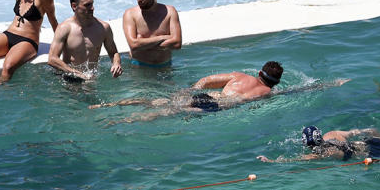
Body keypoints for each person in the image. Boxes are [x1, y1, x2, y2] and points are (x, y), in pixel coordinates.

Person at [90, 60, 284, 116]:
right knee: (166, 112)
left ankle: (109, 104)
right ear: (275, 82)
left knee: (158, 102)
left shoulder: (240, 76)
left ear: (259, 73)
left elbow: (206, 80)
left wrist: (190, 90)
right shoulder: (267, 93)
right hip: (215, 107)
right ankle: (122, 121)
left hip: (208, 94)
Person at [47, 0, 123, 81]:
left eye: (92, 3)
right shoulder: (65, 28)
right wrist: (78, 74)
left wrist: (116, 63)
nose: (92, 8)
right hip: (69, 78)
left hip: (92, 78)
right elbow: (52, 59)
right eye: (87, 5)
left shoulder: (103, 27)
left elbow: (113, 52)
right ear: (74, 6)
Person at [122, 0, 181, 68]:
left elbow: (177, 44)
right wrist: (163, 37)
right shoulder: (130, 14)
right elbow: (133, 45)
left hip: (165, 67)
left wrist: (142, 43)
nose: (139, 0)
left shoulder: (170, 12)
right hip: (140, 67)